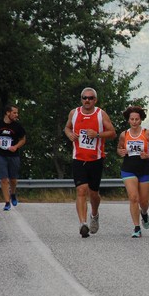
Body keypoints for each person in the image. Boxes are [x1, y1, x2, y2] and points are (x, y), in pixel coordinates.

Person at [63, 87, 116, 238]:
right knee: (81, 190)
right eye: (84, 97)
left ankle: (94, 214)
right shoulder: (74, 113)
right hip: (78, 158)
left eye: (90, 98)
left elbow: (112, 132)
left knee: (94, 193)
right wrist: (70, 134)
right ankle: (82, 223)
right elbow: (66, 127)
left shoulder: (100, 114)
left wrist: (98, 134)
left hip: (96, 159)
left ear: (95, 100)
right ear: (81, 99)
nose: (87, 100)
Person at [117, 106, 149, 238]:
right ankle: (136, 227)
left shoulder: (147, 133)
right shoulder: (124, 135)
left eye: (137, 119)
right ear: (128, 120)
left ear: (141, 120)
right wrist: (121, 152)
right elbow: (119, 149)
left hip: (145, 168)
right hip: (129, 168)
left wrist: (148, 155)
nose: (134, 121)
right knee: (133, 198)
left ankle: (144, 213)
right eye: (132, 119)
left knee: (144, 201)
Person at [0, 105, 27, 211]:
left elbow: (23, 139)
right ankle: (7, 202)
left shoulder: (17, 126)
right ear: (7, 113)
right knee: (4, 179)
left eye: (17, 113)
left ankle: (13, 193)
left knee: (13, 179)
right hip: (0, 154)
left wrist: (15, 146)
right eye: (14, 113)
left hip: (13, 155)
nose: (16, 115)